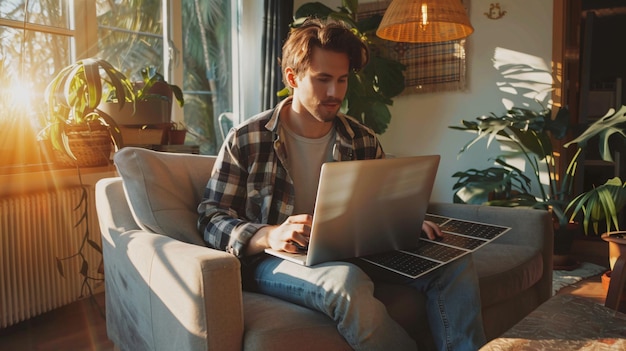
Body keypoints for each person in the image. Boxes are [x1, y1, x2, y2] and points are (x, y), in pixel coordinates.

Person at [198, 18, 486, 350]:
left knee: (455, 263)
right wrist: (269, 234)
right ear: (293, 78)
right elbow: (210, 217)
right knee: (346, 281)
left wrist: (405, 220)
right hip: (276, 260)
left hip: (356, 249)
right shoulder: (248, 139)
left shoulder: (361, 139)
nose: (335, 93)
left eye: (342, 80)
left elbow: (382, 204)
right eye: (322, 80)